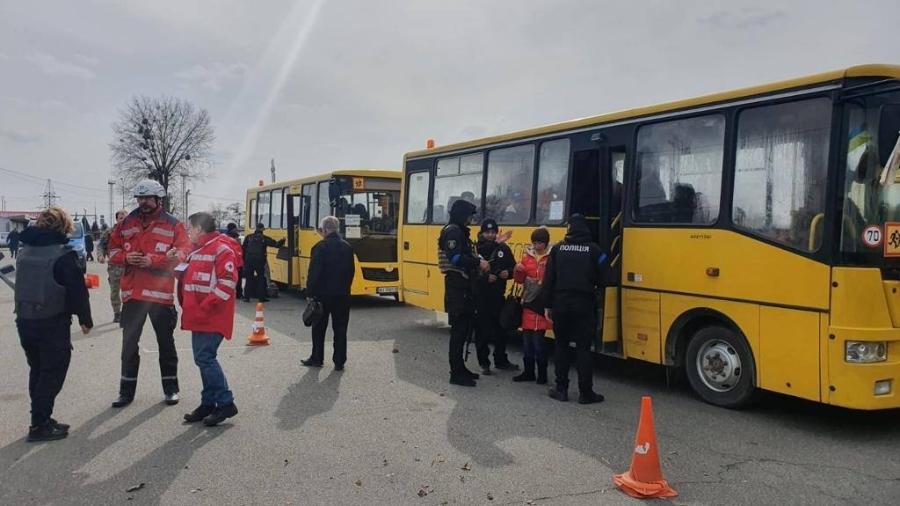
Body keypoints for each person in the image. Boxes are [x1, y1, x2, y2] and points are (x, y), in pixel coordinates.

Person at [107, 179, 191, 408]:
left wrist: (153, 260)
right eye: (139, 198)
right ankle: (126, 392)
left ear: (158, 199)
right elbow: (112, 250)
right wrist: (125, 258)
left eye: (147, 198)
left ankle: (171, 389)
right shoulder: (126, 223)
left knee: (166, 345)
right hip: (133, 296)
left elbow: (183, 253)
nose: (142, 202)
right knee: (128, 346)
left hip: (160, 296)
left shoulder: (174, 225)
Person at [14, 207, 93, 442]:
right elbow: (77, 290)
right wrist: (85, 320)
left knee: (38, 369)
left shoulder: (24, 251)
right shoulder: (63, 253)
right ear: (64, 226)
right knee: (53, 371)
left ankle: (42, 417)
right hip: (52, 321)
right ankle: (39, 425)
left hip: (25, 319)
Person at [178, 212, 239, 426]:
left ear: (200, 229)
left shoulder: (221, 249)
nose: (188, 232)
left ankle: (225, 402)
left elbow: (228, 282)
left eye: (190, 228)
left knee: (205, 358)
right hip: (199, 316)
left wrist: (207, 305)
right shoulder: (198, 250)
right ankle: (208, 403)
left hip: (212, 316)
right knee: (202, 359)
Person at [542, 214, 606, 404]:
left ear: (569, 228)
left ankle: (561, 389)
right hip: (584, 304)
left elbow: (549, 279)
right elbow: (607, 276)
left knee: (561, 346)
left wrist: (547, 305)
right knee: (583, 349)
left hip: (560, 304)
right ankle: (586, 393)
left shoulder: (558, 249)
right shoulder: (595, 250)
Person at [438, 199, 490, 387]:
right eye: (469, 216)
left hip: (464, 286)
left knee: (465, 329)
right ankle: (456, 372)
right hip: (457, 286)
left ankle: (461, 368)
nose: (470, 220)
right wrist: (478, 263)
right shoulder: (452, 231)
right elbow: (456, 258)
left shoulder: (459, 231)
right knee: (459, 331)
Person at [302, 216, 356, 370]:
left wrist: (310, 292)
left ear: (324, 230)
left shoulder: (320, 247)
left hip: (322, 295)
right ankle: (339, 361)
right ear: (337, 228)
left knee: (319, 328)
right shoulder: (347, 247)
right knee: (340, 328)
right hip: (342, 295)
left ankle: (317, 358)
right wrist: (346, 288)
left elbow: (314, 273)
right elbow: (351, 271)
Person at [474, 219, 518, 375]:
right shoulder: (475, 249)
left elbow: (514, 268)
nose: (491, 235)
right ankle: (484, 363)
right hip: (481, 296)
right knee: (482, 331)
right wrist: (485, 278)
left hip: (498, 295)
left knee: (501, 329)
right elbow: (471, 273)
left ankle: (501, 360)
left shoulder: (503, 249)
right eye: (488, 232)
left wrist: (509, 273)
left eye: (493, 232)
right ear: (482, 233)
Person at [512, 227, 552, 384]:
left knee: (539, 344)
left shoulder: (550, 258)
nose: (536, 246)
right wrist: (518, 270)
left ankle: (542, 375)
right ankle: (528, 372)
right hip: (528, 304)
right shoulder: (526, 257)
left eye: (540, 243)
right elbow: (519, 280)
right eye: (534, 242)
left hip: (541, 306)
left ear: (546, 243)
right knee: (527, 343)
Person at [241, 223, 284, 303]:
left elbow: (243, 249)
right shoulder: (264, 238)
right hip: (259, 261)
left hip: (249, 261)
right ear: (262, 229)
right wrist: (283, 241)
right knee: (261, 278)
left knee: (249, 279)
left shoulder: (249, 237)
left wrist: (244, 260)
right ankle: (261, 297)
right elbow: (276, 244)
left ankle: (246, 297)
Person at [98, 209, 127, 323]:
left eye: (125, 218)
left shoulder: (133, 232)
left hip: (129, 267)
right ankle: (117, 313)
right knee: (115, 291)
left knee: (128, 292)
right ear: (116, 219)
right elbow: (101, 245)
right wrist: (101, 256)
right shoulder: (110, 232)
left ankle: (127, 312)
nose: (123, 220)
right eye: (121, 218)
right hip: (114, 267)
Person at [224, 223, 244, 300]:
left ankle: (234, 293)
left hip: (231, 262)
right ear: (233, 229)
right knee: (237, 279)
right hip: (237, 263)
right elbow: (239, 252)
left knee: (231, 279)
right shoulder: (234, 240)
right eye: (235, 229)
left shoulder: (225, 238)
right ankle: (238, 293)